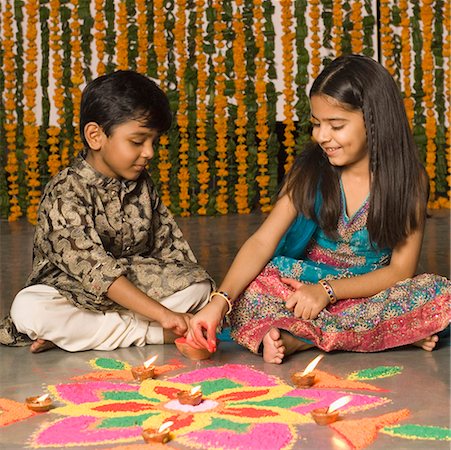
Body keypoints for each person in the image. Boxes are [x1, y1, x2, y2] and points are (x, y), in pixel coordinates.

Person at [187, 54, 450, 363]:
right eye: (316, 124)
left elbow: (400, 271)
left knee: (439, 294)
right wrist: (219, 302)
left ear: (374, 119)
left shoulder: (408, 179)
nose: (322, 136)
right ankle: (392, 334)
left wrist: (328, 292)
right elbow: (262, 242)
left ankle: (302, 339)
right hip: (304, 285)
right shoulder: (311, 170)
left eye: (336, 125)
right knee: (254, 288)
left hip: (369, 289)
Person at [0, 70, 213, 353]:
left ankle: (84, 334)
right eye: (138, 142)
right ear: (95, 136)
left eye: (154, 142)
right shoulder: (65, 190)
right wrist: (164, 316)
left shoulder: (143, 186)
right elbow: (96, 271)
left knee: (199, 286)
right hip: (72, 291)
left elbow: (171, 252)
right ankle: (149, 333)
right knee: (29, 309)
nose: (149, 152)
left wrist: (193, 289)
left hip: (135, 282)